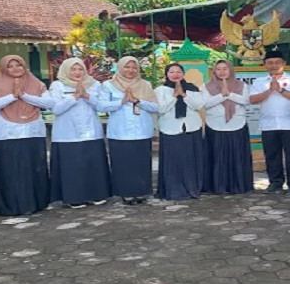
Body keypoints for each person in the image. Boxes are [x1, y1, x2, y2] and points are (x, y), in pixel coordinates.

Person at [0, 55, 53, 216]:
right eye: (10, 66)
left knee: (35, 169)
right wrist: (12, 96)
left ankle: (37, 203)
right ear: (4, 68)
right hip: (8, 134)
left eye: (18, 65)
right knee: (11, 171)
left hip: (33, 131)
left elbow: (49, 103)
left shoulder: (36, 83)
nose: (15, 68)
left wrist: (24, 96)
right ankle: (12, 206)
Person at [48, 58, 111, 209]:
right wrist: (74, 96)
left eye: (80, 69)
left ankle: (96, 194)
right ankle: (74, 197)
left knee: (92, 165)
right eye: (73, 69)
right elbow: (56, 108)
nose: (77, 73)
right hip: (67, 133)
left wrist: (87, 96)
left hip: (91, 131)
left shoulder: (94, 84)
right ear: (66, 70)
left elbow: (101, 106)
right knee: (72, 167)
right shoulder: (57, 85)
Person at [97, 56, 159, 205]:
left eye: (134, 67)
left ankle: (141, 192)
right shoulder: (108, 85)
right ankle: (126, 193)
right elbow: (101, 106)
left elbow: (155, 106)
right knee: (123, 163)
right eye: (127, 67)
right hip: (120, 131)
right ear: (120, 67)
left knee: (141, 163)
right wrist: (122, 101)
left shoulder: (145, 84)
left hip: (142, 130)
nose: (131, 70)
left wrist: (138, 101)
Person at [250, 50, 290, 193]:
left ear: (284, 63)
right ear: (265, 64)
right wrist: (269, 90)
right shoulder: (259, 81)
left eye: (277, 62)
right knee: (272, 156)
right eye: (270, 63)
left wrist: (280, 90)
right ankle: (275, 182)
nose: (274, 65)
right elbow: (252, 99)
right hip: (268, 125)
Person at [155, 63, 206, 201]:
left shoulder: (192, 88)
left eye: (178, 72)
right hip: (170, 129)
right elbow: (160, 109)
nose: (175, 74)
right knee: (173, 161)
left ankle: (192, 188)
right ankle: (174, 190)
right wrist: (174, 96)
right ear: (167, 74)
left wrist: (183, 95)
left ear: (183, 74)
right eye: (171, 72)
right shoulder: (161, 90)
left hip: (191, 128)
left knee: (190, 160)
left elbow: (199, 105)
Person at [202, 60, 254, 194]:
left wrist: (229, 94)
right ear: (214, 71)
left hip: (237, 124)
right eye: (218, 69)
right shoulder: (207, 86)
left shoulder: (241, 85)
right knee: (217, 157)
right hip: (215, 126)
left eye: (225, 68)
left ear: (230, 69)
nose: (222, 72)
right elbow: (205, 104)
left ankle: (239, 185)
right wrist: (222, 95)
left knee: (237, 157)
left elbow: (246, 101)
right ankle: (217, 186)